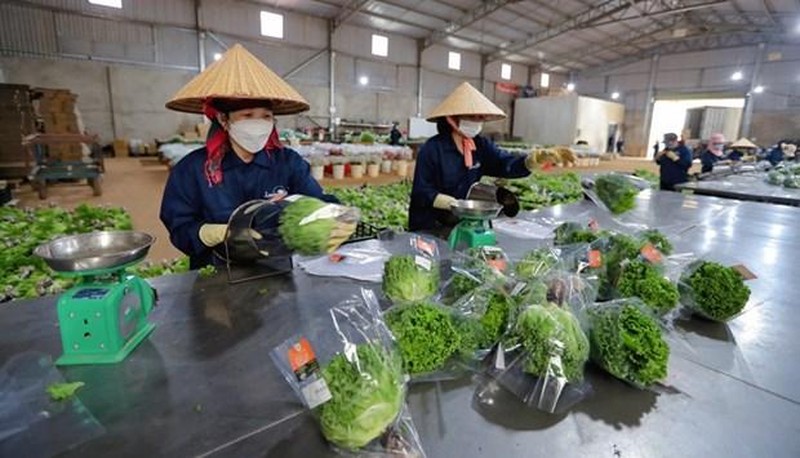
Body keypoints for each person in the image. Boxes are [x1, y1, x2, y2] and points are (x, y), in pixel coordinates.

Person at [160, 44, 339, 269]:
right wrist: (215, 233)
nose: (259, 123)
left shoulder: (287, 162)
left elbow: (318, 202)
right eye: (248, 115)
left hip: (275, 269)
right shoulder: (193, 169)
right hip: (215, 272)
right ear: (224, 120)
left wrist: (334, 212)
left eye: (266, 116)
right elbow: (179, 226)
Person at [409, 82, 536, 232]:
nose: (476, 121)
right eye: (471, 116)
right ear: (452, 119)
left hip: (461, 220)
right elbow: (422, 191)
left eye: (480, 117)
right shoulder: (432, 149)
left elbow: (504, 163)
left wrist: (529, 162)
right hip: (430, 222)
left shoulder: (481, 146)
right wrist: (450, 203)